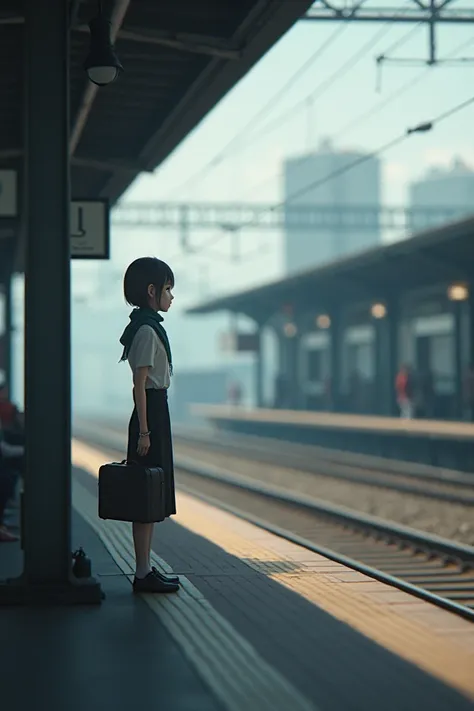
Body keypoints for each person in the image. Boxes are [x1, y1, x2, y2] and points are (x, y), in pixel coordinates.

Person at [119, 257, 179, 594]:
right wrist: (144, 431)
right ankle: (142, 572)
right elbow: (139, 385)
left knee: (152, 493)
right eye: (168, 289)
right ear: (152, 291)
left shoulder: (148, 326)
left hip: (156, 413)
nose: (171, 296)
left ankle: (146, 569)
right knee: (145, 494)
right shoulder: (145, 330)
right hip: (151, 414)